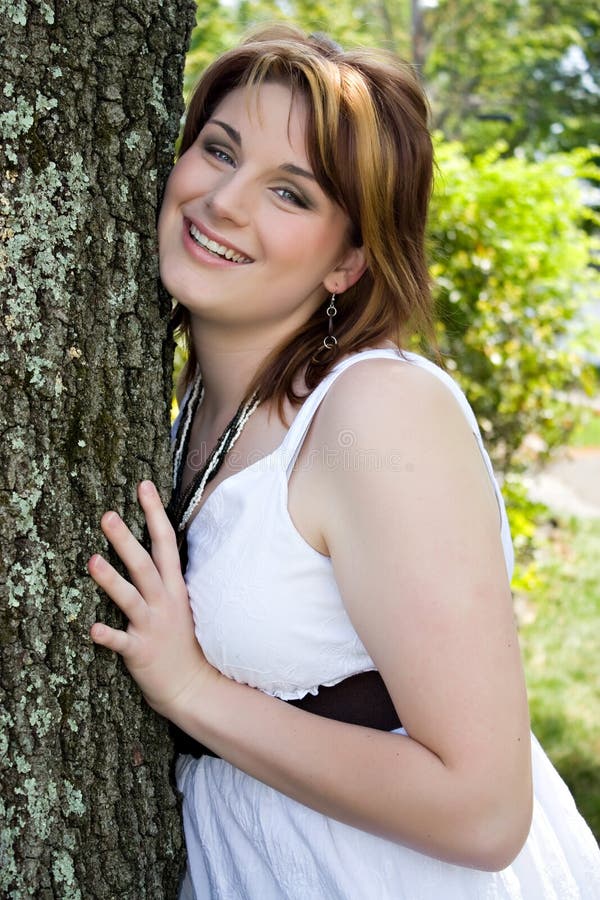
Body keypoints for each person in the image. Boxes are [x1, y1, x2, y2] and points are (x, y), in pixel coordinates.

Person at [88, 24, 600, 899]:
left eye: (291, 194)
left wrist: (193, 691)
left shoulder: (374, 413)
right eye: (219, 150)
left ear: (350, 261)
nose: (224, 202)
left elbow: (483, 811)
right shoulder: (189, 408)